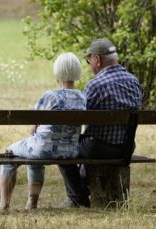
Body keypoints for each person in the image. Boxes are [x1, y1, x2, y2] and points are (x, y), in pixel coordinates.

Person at [56, 38, 143, 208]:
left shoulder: (95, 85)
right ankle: (82, 191)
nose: (89, 65)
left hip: (98, 148)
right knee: (86, 144)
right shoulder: (134, 82)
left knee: (62, 148)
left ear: (97, 59)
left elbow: (78, 117)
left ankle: (77, 197)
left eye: (89, 61)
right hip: (126, 148)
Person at [0, 52, 86, 210]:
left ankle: (4, 205)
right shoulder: (82, 97)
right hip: (70, 152)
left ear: (57, 72)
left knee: (9, 153)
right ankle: (31, 204)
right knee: (33, 155)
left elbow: (33, 128)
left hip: (42, 149)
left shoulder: (50, 96)